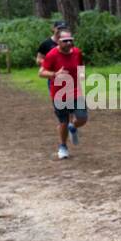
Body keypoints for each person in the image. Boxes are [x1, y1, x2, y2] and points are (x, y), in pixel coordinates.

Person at [38, 28, 88, 159]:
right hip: (59, 93)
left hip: (76, 90)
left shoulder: (77, 52)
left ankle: (73, 126)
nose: (69, 43)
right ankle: (63, 146)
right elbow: (41, 72)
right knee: (63, 122)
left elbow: (81, 66)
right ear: (58, 41)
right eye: (65, 41)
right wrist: (55, 74)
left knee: (83, 118)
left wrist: (82, 76)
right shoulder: (52, 55)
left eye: (71, 40)